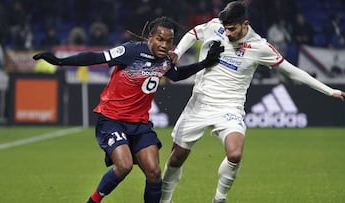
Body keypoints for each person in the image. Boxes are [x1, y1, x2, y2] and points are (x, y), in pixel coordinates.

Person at [160, 2, 345, 203]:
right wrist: (178, 53)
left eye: (232, 29)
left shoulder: (260, 47)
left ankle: (219, 198)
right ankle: (165, 200)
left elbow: (292, 71)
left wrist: (330, 90)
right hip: (199, 103)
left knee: (234, 154)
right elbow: (194, 33)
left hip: (229, 107)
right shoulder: (216, 26)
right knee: (177, 157)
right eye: (225, 28)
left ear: (245, 24)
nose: (227, 33)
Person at [32, 16, 224, 203]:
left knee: (154, 173)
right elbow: (96, 57)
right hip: (112, 119)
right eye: (160, 39)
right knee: (123, 166)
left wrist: (205, 63)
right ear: (150, 37)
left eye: (169, 41)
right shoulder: (130, 51)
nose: (164, 45)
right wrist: (60, 61)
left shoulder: (165, 60)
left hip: (140, 124)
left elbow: (176, 75)